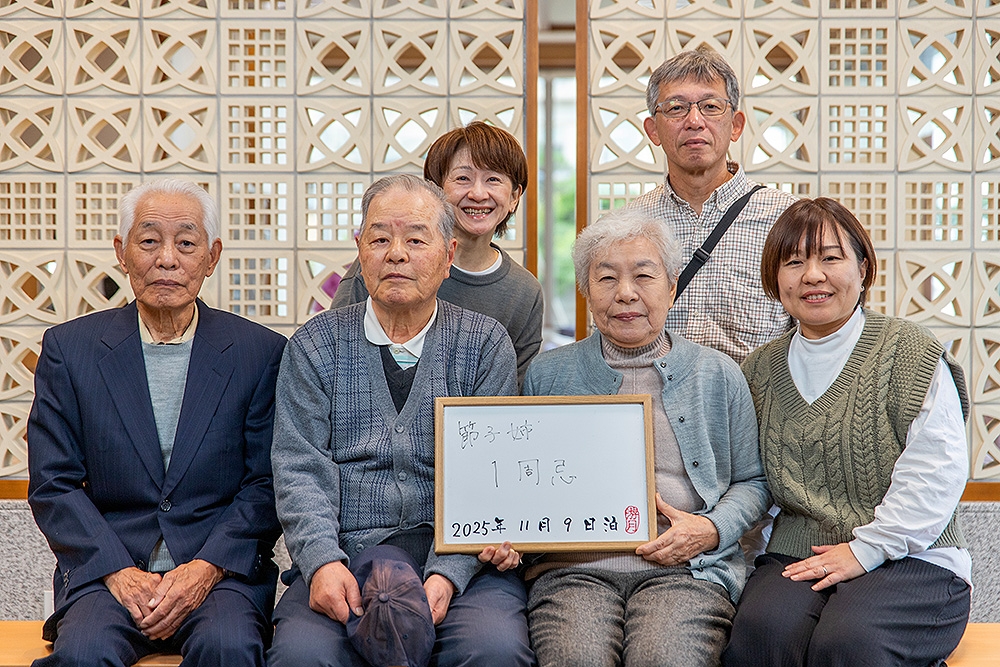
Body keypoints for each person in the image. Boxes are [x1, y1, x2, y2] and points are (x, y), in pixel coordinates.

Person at [268, 174, 535, 667]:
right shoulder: (315, 344)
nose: (396, 254)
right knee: (303, 656)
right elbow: (299, 468)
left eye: (415, 240)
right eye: (379, 240)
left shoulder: (484, 343)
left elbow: (488, 478)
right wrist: (322, 562)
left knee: (493, 649)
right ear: (360, 251)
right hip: (347, 555)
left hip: (460, 556)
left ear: (448, 255)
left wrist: (447, 574)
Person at [27, 179, 286, 666]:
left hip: (217, 576)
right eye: (149, 241)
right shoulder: (70, 350)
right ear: (121, 253)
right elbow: (53, 483)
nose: (167, 259)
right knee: (83, 653)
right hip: (109, 573)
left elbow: (266, 483)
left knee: (229, 648)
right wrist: (118, 573)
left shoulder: (258, 353)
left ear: (211, 257)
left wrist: (204, 569)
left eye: (186, 243)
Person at [722, 198, 972, 667]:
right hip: (800, 554)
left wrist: (864, 550)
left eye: (830, 258)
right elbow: (750, 482)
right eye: (793, 262)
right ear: (775, 279)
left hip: (912, 557)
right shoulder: (757, 371)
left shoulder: (910, 352)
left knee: (849, 643)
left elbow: (936, 472)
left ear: (862, 268)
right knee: (760, 636)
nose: (812, 275)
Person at [522, 208, 769, 667]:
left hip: (686, 570)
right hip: (574, 571)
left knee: (664, 659)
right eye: (606, 278)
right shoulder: (548, 374)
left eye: (643, 276)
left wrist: (712, 528)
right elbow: (525, 483)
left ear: (672, 287)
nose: (626, 293)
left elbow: (753, 481)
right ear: (586, 291)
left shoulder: (717, 374)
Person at [332, 121, 543, 387]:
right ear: (435, 192)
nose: (478, 194)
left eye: (493, 179)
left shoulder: (524, 292)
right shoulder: (386, 267)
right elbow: (337, 355)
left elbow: (513, 392)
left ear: (514, 197)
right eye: (463, 178)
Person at [630, 45, 797, 364]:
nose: (694, 121)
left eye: (710, 106)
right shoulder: (629, 225)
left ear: (736, 125)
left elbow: (814, 334)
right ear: (653, 130)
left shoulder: (787, 219)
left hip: (754, 395)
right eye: (676, 108)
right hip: (655, 395)